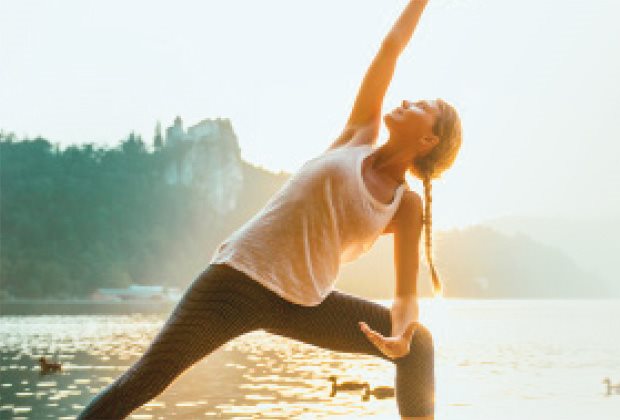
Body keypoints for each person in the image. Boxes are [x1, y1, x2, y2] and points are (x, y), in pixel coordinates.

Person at [78, 0, 461, 418]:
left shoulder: (405, 205)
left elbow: (405, 296)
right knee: (145, 379)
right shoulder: (358, 135)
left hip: (304, 304)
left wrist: (401, 335)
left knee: (418, 344)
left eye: (424, 108)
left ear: (429, 141)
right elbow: (391, 47)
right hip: (236, 281)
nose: (408, 101)